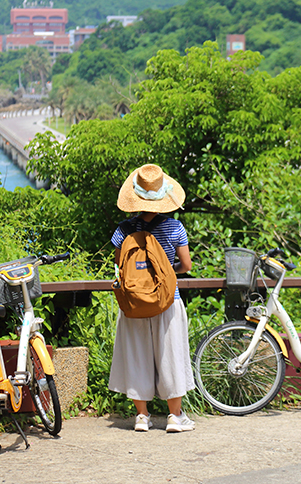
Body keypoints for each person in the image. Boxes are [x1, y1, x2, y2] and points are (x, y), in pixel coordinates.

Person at [108, 163, 196, 433]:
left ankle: (142, 417)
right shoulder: (175, 229)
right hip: (168, 301)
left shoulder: (123, 230)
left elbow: (120, 266)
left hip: (134, 303)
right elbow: (186, 266)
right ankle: (174, 416)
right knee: (171, 355)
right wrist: (167, 273)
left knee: (136, 355)